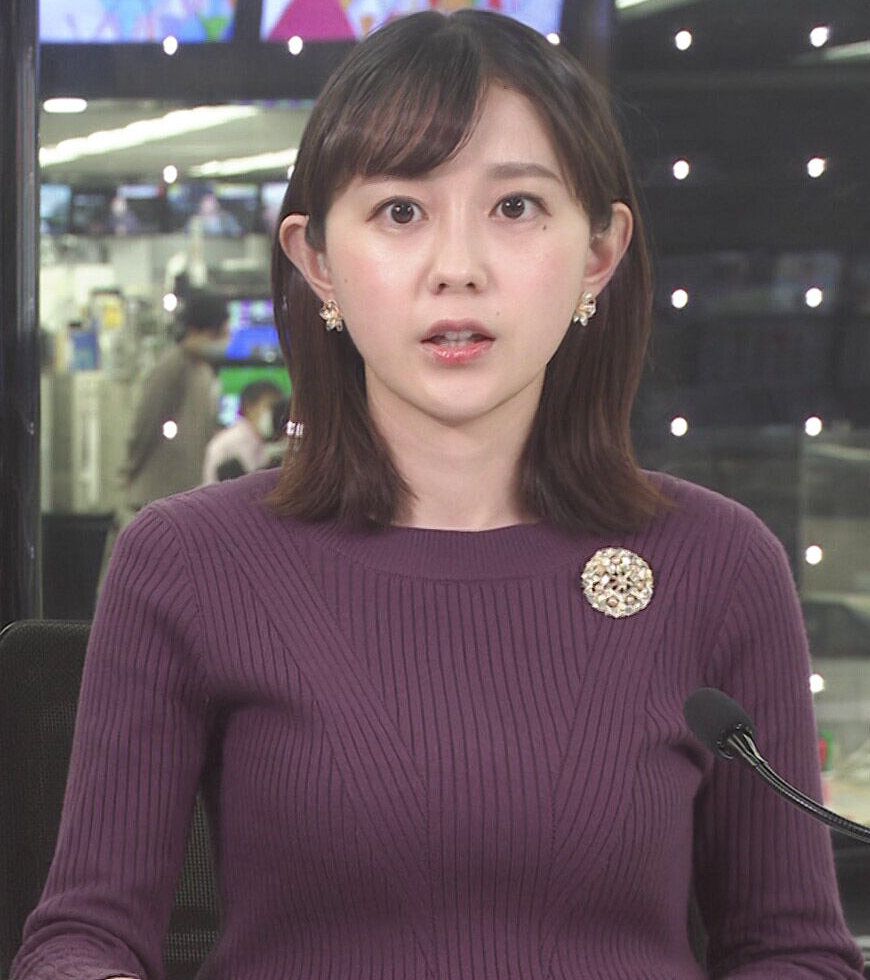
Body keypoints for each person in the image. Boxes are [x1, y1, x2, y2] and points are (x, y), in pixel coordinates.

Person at [12, 11, 864, 980]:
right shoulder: (189, 559)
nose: (458, 268)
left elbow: (798, 951)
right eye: (400, 212)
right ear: (317, 261)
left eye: (516, 207)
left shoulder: (719, 561)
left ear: (599, 252)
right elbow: (79, 942)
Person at [120, 288, 228, 511]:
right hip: (157, 493)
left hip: (186, 491)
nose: (223, 342)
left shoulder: (204, 371)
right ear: (194, 331)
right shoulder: (173, 366)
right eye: (216, 335)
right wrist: (130, 471)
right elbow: (147, 422)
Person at [201, 379, 284, 483]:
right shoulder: (229, 443)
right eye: (270, 406)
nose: (275, 413)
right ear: (250, 407)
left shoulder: (269, 441)